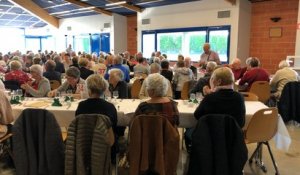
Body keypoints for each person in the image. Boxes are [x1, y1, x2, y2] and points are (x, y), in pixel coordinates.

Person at [185, 67, 245, 152]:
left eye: (212, 79)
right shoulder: (239, 98)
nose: (211, 81)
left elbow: (197, 115)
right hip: (232, 136)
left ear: (219, 81)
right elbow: (241, 122)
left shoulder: (210, 98)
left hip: (209, 136)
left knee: (188, 129)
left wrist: (207, 96)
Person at [75, 74, 118, 163]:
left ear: (89, 90)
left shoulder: (81, 106)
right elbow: (114, 126)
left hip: (85, 145)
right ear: (104, 89)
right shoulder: (110, 107)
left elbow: (78, 125)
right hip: (106, 146)